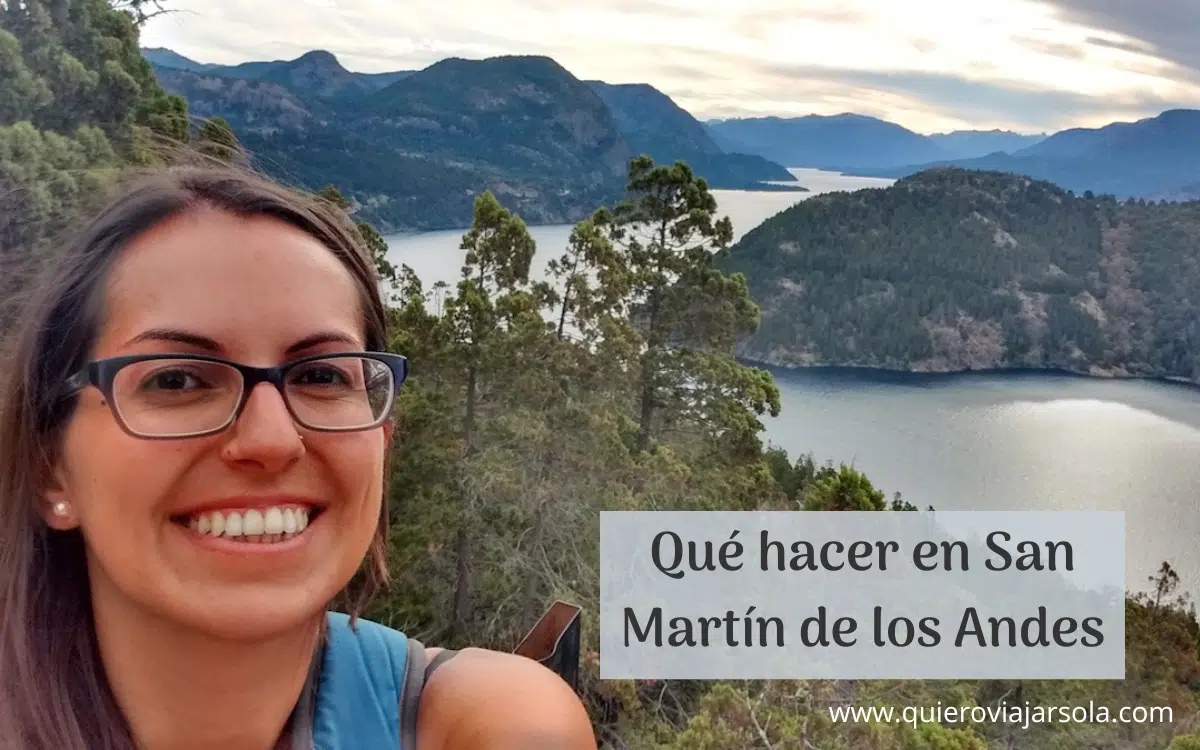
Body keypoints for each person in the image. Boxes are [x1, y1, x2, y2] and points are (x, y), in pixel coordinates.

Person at [0, 160, 597, 750]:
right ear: (49, 465)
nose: (271, 440)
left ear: (382, 435)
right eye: (178, 380)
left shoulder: (484, 724)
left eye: (320, 375)